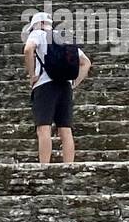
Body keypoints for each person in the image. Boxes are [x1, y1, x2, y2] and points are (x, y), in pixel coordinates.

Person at [23, 12, 91, 164]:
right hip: (65, 86)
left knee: (43, 127)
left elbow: (28, 49)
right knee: (65, 129)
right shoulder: (63, 38)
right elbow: (86, 62)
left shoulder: (38, 34)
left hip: (45, 85)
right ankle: (69, 166)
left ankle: (44, 166)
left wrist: (32, 74)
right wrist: (74, 83)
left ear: (36, 24)